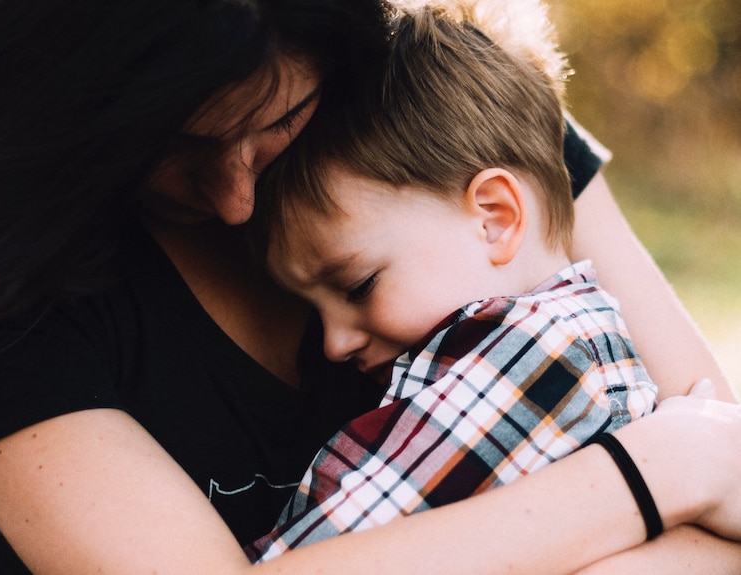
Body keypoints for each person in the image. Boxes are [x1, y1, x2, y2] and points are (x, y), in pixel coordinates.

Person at [0, 0, 739, 573]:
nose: (235, 200)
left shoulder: (451, 118)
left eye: (278, 122)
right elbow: (706, 461)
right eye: (165, 149)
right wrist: (650, 475)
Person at [246, 0, 660, 560]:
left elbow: (337, 545)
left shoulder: (537, 356)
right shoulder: (572, 339)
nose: (332, 342)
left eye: (359, 285)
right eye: (313, 309)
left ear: (495, 218)